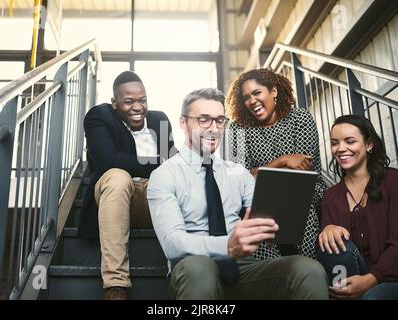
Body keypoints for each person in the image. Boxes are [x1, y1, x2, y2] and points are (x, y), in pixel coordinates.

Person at [147, 88, 328, 299]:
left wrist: (270, 226)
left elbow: (261, 213)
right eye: (203, 120)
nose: (214, 128)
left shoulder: (238, 173)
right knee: (200, 270)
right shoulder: (164, 175)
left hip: (242, 268)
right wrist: (227, 245)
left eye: (219, 120)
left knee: (308, 269)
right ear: (183, 123)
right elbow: (172, 244)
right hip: (193, 266)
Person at [78, 71, 177, 300]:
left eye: (142, 100)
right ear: (115, 103)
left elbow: (173, 157)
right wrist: (161, 163)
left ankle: (182, 275)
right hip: (119, 197)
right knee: (118, 175)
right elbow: (110, 160)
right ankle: (115, 285)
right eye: (129, 101)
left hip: (154, 200)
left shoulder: (159, 119)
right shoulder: (99, 116)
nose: (137, 107)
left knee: (178, 181)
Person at [225, 68, 326, 259]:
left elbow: (302, 172)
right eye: (246, 97)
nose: (252, 101)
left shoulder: (300, 119)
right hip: (257, 200)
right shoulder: (237, 129)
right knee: (253, 214)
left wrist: (256, 172)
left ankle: (304, 271)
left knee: (298, 207)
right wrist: (283, 161)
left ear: (273, 91)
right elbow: (237, 181)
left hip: (303, 195)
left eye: (256, 93)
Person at [317, 114, 398, 300]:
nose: (341, 149)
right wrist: (327, 229)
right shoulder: (330, 197)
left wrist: (371, 279)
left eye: (350, 141)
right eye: (335, 143)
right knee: (332, 242)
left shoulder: (393, 182)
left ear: (369, 145)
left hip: (391, 278)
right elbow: (331, 251)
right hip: (352, 273)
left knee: (372, 297)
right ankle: (343, 294)